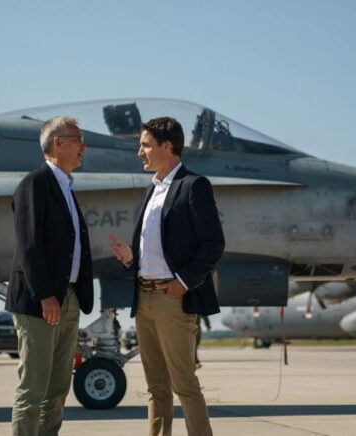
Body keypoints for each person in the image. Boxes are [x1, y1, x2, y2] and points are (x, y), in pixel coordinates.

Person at [109, 117, 225, 436]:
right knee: (156, 387)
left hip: (173, 300)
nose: (139, 152)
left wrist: (183, 282)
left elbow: (213, 244)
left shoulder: (193, 185)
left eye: (145, 145)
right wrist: (132, 259)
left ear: (167, 146)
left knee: (184, 385)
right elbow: (159, 248)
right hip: (143, 298)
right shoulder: (153, 190)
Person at [6, 116, 94, 436]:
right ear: (58, 143)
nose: (83, 146)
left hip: (67, 299)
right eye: (77, 139)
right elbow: (29, 245)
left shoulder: (67, 187)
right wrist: (46, 294)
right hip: (40, 303)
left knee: (57, 390)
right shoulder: (35, 184)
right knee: (34, 390)